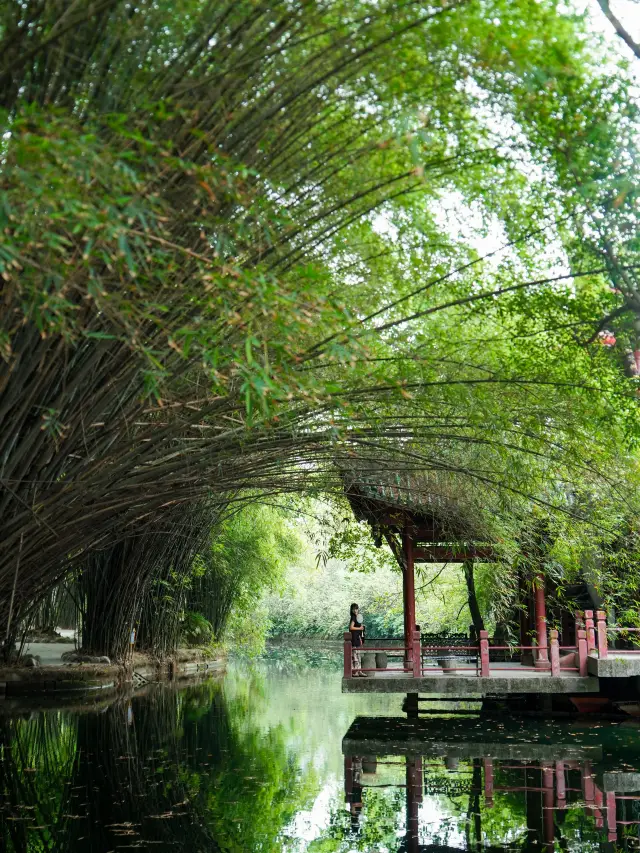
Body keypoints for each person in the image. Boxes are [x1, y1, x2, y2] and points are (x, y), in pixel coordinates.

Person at [349, 603, 367, 677]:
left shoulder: (358, 617)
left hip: (357, 638)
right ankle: (355, 672)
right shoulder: (353, 617)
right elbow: (351, 627)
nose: (355, 610)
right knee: (355, 655)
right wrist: (359, 628)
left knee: (358, 655)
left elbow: (359, 627)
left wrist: (361, 629)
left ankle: (359, 671)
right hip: (353, 638)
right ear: (352, 610)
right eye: (353, 609)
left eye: (356, 609)